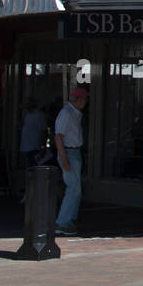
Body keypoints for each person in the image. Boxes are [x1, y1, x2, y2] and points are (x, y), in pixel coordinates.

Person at [54, 87, 89, 235]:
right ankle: (62, 222)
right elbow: (58, 137)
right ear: (79, 100)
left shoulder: (73, 113)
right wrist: (64, 159)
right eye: (85, 99)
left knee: (76, 189)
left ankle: (68, 219)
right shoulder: (67, 113)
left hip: (74, 152)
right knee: (73, 188)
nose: (86, 102)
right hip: (69, 152)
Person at [18, 98, 49, 201]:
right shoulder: (28, 115)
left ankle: (33, 193)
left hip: (35, 147)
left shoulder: (39, 115)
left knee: (34, 170)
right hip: (27, 147)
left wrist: (42, 146)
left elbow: (44, 131)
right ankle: (30, 192)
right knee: (30, 170)